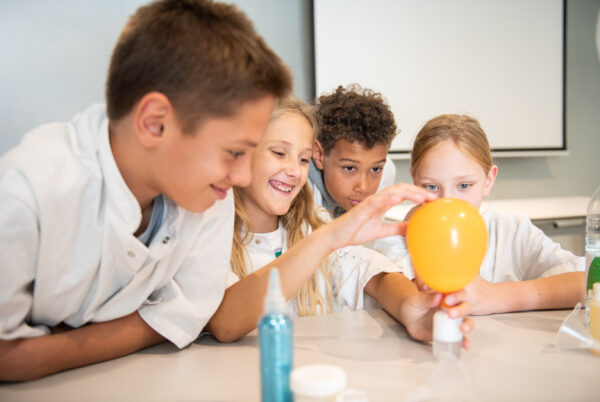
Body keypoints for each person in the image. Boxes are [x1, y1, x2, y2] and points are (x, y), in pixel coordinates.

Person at [0, 0, 294, 381]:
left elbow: (187, 314)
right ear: (155, 124)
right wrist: (147, 320)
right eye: (235, 152)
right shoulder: (26, 190)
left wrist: (51, 344)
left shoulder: (208, 192)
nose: (242, 176)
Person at [206, 99, 473, 344]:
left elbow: (370, 273)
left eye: (303, 159)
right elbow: (224, 323)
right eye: (278, 152)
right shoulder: (208, 233)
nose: (294, 170)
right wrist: (326, 239)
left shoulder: (312, 222)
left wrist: (411, 308)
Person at [405, 114, 585, 314]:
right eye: (431, 187)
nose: (447, 201)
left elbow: (589, 283)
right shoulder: (400, 237)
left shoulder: (512, 232)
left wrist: (496, 296)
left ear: (488, 180)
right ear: (414, 180)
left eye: (464, 186)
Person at [309, 84, 397, 218]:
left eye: (375, 169)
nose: (364, 187)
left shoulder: (386, 172)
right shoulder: (299, 185)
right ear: (319, 155)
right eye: (350, 168)